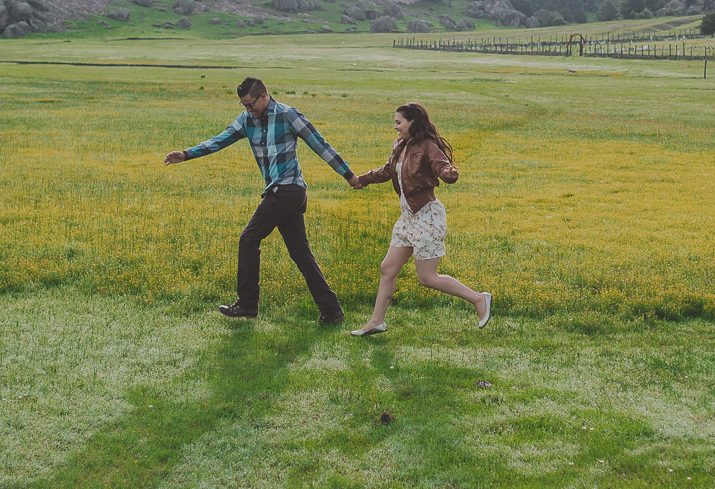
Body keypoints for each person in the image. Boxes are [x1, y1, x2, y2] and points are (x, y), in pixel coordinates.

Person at [163, 77, 353, 325]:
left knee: (248, 238)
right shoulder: (247, 120)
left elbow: (320, 145)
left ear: (264, 96)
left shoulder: (288, 115)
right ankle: (331, 309)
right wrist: (187, 154)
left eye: (251, 104)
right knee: (300, 253)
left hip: (288, 190)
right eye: (244, 106)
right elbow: (220, 139)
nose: (248, 110)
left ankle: (247, 304)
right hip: (280, 192)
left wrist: (348, 175)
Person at [348, 102, 490, 335]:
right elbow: (387, 170)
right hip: (407, 218)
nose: (395, 127)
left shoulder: (427, 146)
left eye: (398, 122)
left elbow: (442, 166)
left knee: (427, 278)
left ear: (412, 123)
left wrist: (448, 174)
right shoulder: (400, 146)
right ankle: (376, 322)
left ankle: (479, 299)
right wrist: (362, 179)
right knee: (388, 268)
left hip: (427, 216)